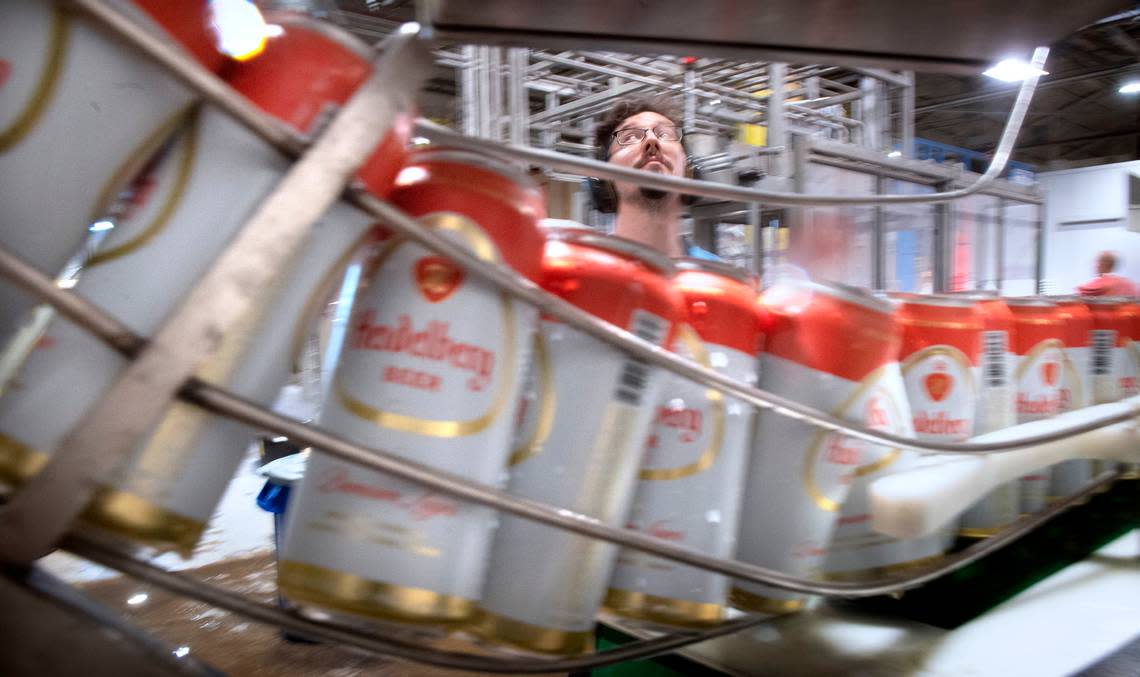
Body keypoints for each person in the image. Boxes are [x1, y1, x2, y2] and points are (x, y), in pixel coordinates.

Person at [592, 96, 717, 259]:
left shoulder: (718, 280)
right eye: (630, 137)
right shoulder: (579, 277)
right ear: (604, 180)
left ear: (690, 172)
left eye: (664, 134)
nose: (651, 140)